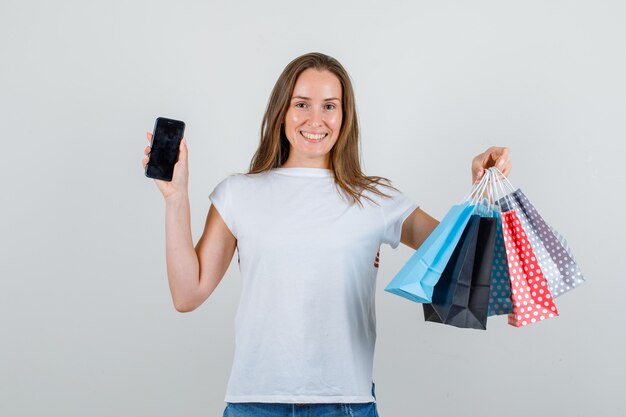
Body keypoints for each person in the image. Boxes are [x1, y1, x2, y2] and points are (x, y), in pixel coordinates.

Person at [142, 52, 511, 417]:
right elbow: (187, 295)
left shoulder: (375, 198)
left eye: (329, 106)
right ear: (281, 112)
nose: (315, 119)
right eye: (301, 103)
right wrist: (176, 198)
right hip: (254, 402)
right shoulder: (237, 193)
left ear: (344, 116)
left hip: (344, 404)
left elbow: (460, 255)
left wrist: (481, 189)